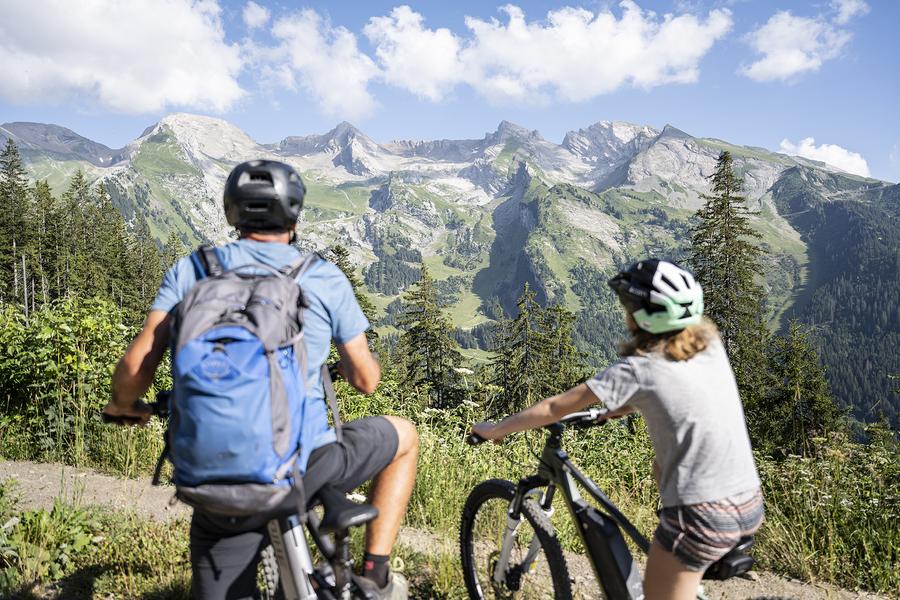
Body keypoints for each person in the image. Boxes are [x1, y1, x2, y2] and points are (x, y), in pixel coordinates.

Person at [103, 159, 418, 599]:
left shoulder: (193, 270)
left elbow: (138, 364)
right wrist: (342, 365)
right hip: (303, 466)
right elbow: (367, 379)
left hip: (211, 477)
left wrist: (123, 406)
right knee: (404, 436)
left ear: (233, 212)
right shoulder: (320, 276)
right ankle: (376, 573)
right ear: (294, 213)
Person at [471, 259, 763, 600]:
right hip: (749, 500)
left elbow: (553, 408)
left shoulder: (639, 370)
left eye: (627, 305)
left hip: (700, 516)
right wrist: (620, 407)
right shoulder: (709, 344)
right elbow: (679, 391)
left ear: (641, 315)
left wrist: (496, 430)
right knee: (662, 466)